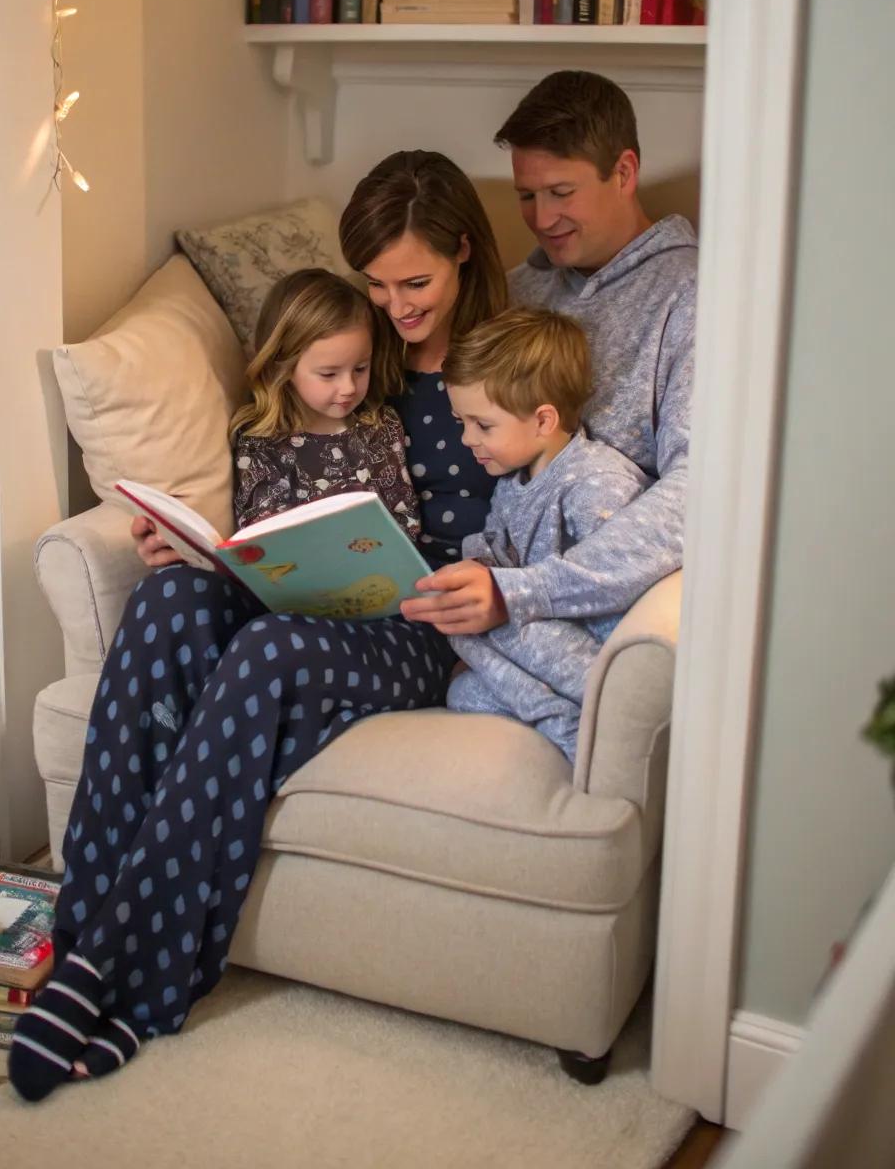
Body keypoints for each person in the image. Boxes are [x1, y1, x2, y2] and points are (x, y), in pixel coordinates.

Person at [9, 152, 506, 1102]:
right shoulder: (366, 359)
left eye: (416, 282)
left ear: (466, 259)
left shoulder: (507, 358)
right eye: (376, 283)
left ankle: (130, 977)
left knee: (269, 651)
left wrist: (499, 586)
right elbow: (286, 358)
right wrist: (196, 548)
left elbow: (561, 496)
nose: (395, 305)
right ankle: (81, 931)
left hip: (422, 618)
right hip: (312, 590)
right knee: (165, 603)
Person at [401, 69, 697, 639]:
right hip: (479, 563)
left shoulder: (689, 298)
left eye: (561, 193)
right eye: (526, 196)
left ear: (625, 173)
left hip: (574, 601)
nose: (540, 219)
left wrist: (521, 594)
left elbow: (697, 491)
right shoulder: (519, 289)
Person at [441, 307, 650, 763]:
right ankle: (548, 710)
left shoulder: (596, 480)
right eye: (462, 423)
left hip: (589, 656)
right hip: (537, 645)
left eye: (482, 425)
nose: (467, 440)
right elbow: (495, 549)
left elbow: (616, 597)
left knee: (473, 623)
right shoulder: (510, 482)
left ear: (543, 421)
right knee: (462, 690)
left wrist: (500, 603)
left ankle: (567, 724)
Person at [229, 267, 419, 540]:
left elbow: (406, 518)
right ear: (282, 367)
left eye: (360, 368)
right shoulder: (261, 442)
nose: (349, 388)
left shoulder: (382, 425)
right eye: (329, 374)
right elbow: (262, 538)